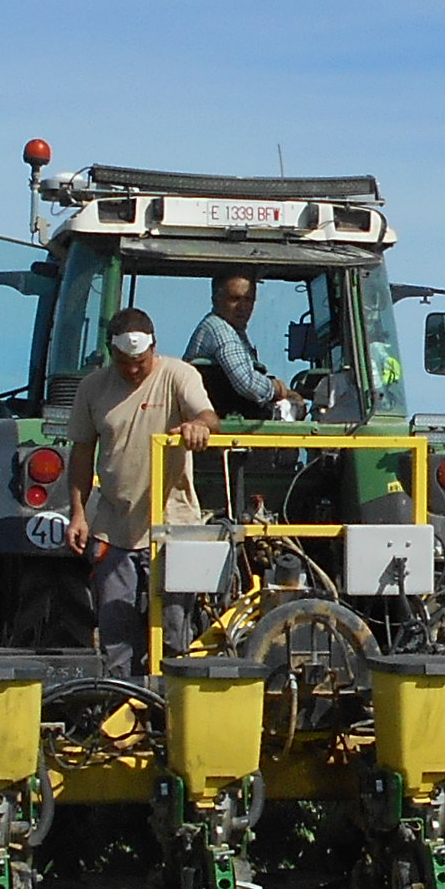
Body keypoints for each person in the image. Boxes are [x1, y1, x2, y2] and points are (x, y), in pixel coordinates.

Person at [60, 307, 218, 657]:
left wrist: (199, 426)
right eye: (123, 362)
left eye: (140, 362)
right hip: (114, 529)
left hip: (172, 526)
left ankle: (172, 708)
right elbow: (82, 453)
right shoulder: (93, 388)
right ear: (110, 352)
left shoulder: (179, 375)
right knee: (117, 637)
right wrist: (78, 513)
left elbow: (208, 416)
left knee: (175, 632)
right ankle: (123, 706)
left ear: (153, 349)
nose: (132, 370)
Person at [188, 274, 290, 422]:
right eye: (234, 299)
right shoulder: (220, 330)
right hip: (220, 427)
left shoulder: (235, 332)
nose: (242, 307)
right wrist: (278, 389)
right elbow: (247, 384)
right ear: (215, 300)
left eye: (248, 300)